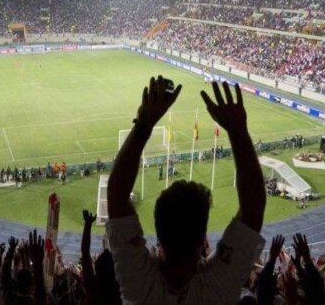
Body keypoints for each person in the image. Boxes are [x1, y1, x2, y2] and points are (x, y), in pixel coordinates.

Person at [106, 78, 266, 304]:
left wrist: (143, 125)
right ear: (203, 241)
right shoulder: (218, 287)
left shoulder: (138, 284)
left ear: (158, 237)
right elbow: (253, 208)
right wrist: (238, 131)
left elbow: (116, 195)